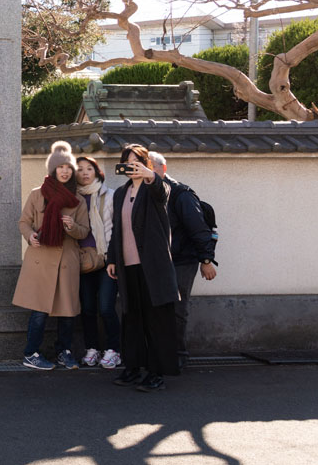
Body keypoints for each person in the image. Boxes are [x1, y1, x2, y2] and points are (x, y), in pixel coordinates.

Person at [107, 144, 180, 392]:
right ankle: (133, 367)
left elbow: (163, 193)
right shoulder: (120, 193)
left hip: (152, 266)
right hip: (128, 267)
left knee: (156, 319)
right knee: (132, 318)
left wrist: (151, 176)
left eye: (137, 162)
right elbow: (117, 229)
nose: (132, 167)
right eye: (128, 162)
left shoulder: (155, 188)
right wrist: (112, 259)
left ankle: (156, 371)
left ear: (146, 164)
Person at [14, 140, 90, 371]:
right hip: (41, 258)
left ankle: (63, 351)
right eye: (60, 167)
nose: (65, 171)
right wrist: (30, 236)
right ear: (52, 170)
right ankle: (31, 353)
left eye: (68, 167)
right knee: (39, 311)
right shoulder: (38, 194)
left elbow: (84, 230)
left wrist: (71, 227)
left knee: (67, 311)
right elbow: (24, 222)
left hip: (67, 259)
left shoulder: (78, 199)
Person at [149, 152, 218, 369]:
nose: (149, 172)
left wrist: (206, 260)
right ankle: (159, 354)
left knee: (177, 309)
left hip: (182, 261)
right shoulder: (144, 193)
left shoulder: (181, 194)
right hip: (157, 259)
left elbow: (199, 229)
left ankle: (178, 355)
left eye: (153, 168)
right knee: (156, 308)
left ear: (164, 169)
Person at [75, 155, 120, 369]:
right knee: (88, 308)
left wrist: (114, 257)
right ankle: (91, 348)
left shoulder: (109, 195)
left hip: (106, 259)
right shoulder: (73, 198)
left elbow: (118, 229)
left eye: (89, 169)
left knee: (106, 307)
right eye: (80, 169)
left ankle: (114, 349)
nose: (84, 173)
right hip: (83, 260)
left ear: (96, 171)